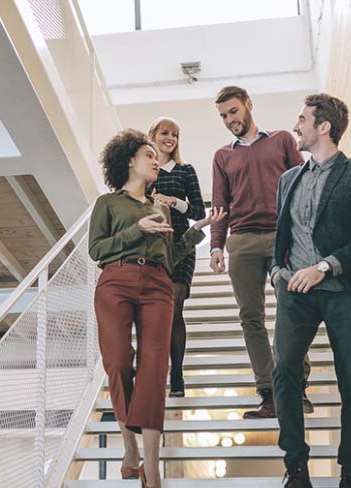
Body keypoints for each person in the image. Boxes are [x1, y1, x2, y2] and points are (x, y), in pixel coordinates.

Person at [89, 129, 225, 488]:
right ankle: (129, 447)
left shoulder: (161, 206)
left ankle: (152, 466)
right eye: (148, 155)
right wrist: (137, 229)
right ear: (130, 161)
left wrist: (198, 232)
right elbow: (97, 250)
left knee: (154, 366)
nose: (155, 161)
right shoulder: (108, 204)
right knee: (118, 360)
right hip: (116, 280)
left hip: (158, 284)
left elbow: (171, 253)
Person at [270, 94, 351, 488]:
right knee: (284, 370)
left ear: (324, 127)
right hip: (295, 293)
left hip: (345, 290)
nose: (295, 126)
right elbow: (281, 235)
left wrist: (324, 267)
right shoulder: (289, 179)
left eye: (302, 119)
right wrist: (276, 273)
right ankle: (296, 468)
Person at [209, 86, 313, 418]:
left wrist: (306, 235)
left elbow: (303, 186)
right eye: (224, 116)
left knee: (292, 310)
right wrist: (215, 245)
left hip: (282, 237)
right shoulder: (222, 156)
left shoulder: (282, 140)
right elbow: (220, 205)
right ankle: (268, 393)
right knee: (250, 318)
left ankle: (295, 388)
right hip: (240, 241)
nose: (229, 120)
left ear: (249, 106)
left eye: (233, 112)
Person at [145, 116, 206, 397]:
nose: (170, 138)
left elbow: (198, 213)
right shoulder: (146, 170)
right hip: (152, 248)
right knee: (157, 313)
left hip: (182, 246)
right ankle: (159, 370)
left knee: (175, 306)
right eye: (165, 133)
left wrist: (174, 202)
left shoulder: (185, 170)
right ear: (153, 136)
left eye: (175, 134)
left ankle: (177, 373)